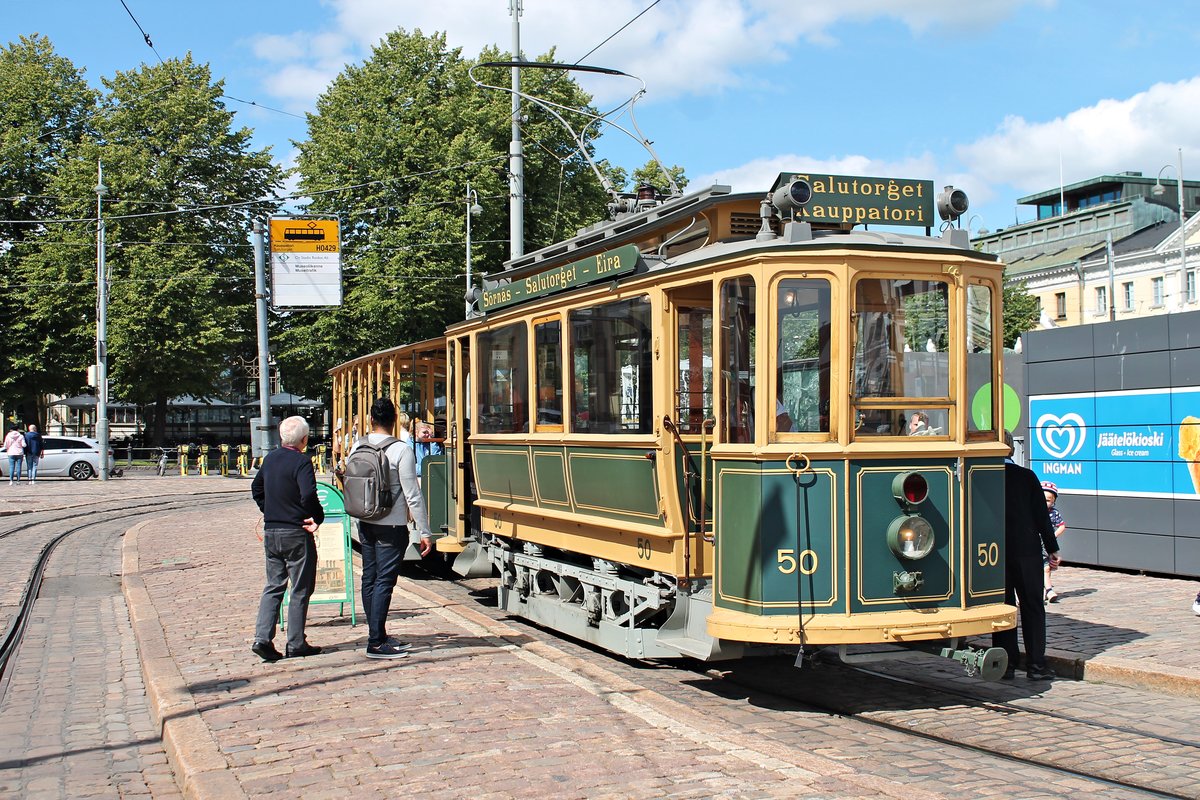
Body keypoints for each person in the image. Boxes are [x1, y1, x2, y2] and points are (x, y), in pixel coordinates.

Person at [352, 398, 433, 659]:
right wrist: (424, 531)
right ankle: (376, 642)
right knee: (385, 581)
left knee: (369, 578)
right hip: (392, 523)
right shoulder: (401, 450)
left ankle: (378, 632)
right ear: (394, 420)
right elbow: (413, 494)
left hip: (365, 521)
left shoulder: (358, 444)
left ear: (370, 420)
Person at [249, 415, 324, 662]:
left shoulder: (270, 459)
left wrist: (267, 509)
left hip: (272, 531)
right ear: (304, 439)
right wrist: (316, 517)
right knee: (301, 588)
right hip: (295, 531)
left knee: (274, 585)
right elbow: (308, 494)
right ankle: (296, 642)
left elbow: (256, 488)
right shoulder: (302, 462)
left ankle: (262, 638)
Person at [993, 432, 1061, 681]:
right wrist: (1052, 548)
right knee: (1032, 607)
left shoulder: (982, 476)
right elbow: (1041, 517)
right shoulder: (1026, 476)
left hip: (993, 552)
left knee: (1003, 608)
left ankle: (1006, 665)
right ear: (1011, 449)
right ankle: (1036, 665)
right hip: (1026, 552)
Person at [1041, 481, 1066, 603]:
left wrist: (1052, 536)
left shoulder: (1054, 513)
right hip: (1037, 544)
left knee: (1047, 568)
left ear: (1053, 501)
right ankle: (1048, 589)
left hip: (1047, 545)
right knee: (1043, 568)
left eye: (1048, 500)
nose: (1045, 503)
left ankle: (1047, 589)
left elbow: (1061, 526)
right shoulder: (1034, 512)